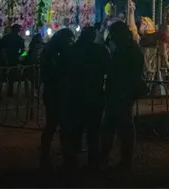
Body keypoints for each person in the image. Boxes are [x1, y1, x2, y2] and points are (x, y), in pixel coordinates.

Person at [63, 26, 110, 171]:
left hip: (75, 93)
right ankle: (92, 160)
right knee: (93, 130)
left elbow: (65, 69)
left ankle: (71, 160)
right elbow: (107, 69)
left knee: (75, 128)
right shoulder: (101, 50)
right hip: (94, 93)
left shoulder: (72, 50)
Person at [100, 21, 146, 169]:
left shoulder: (126, 50)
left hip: (121, 91)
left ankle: (122, 158)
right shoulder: (129, 49)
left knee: (121, 124)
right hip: (120, 91)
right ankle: (112, 157)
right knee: (114, 124)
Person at [39, 28, 75, 171]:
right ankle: (65, 158)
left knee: (52, 125)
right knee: (62, 126)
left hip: (52, 91)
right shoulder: (59, 53)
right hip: (59, 91)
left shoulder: (49, 51)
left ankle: (46, 156)